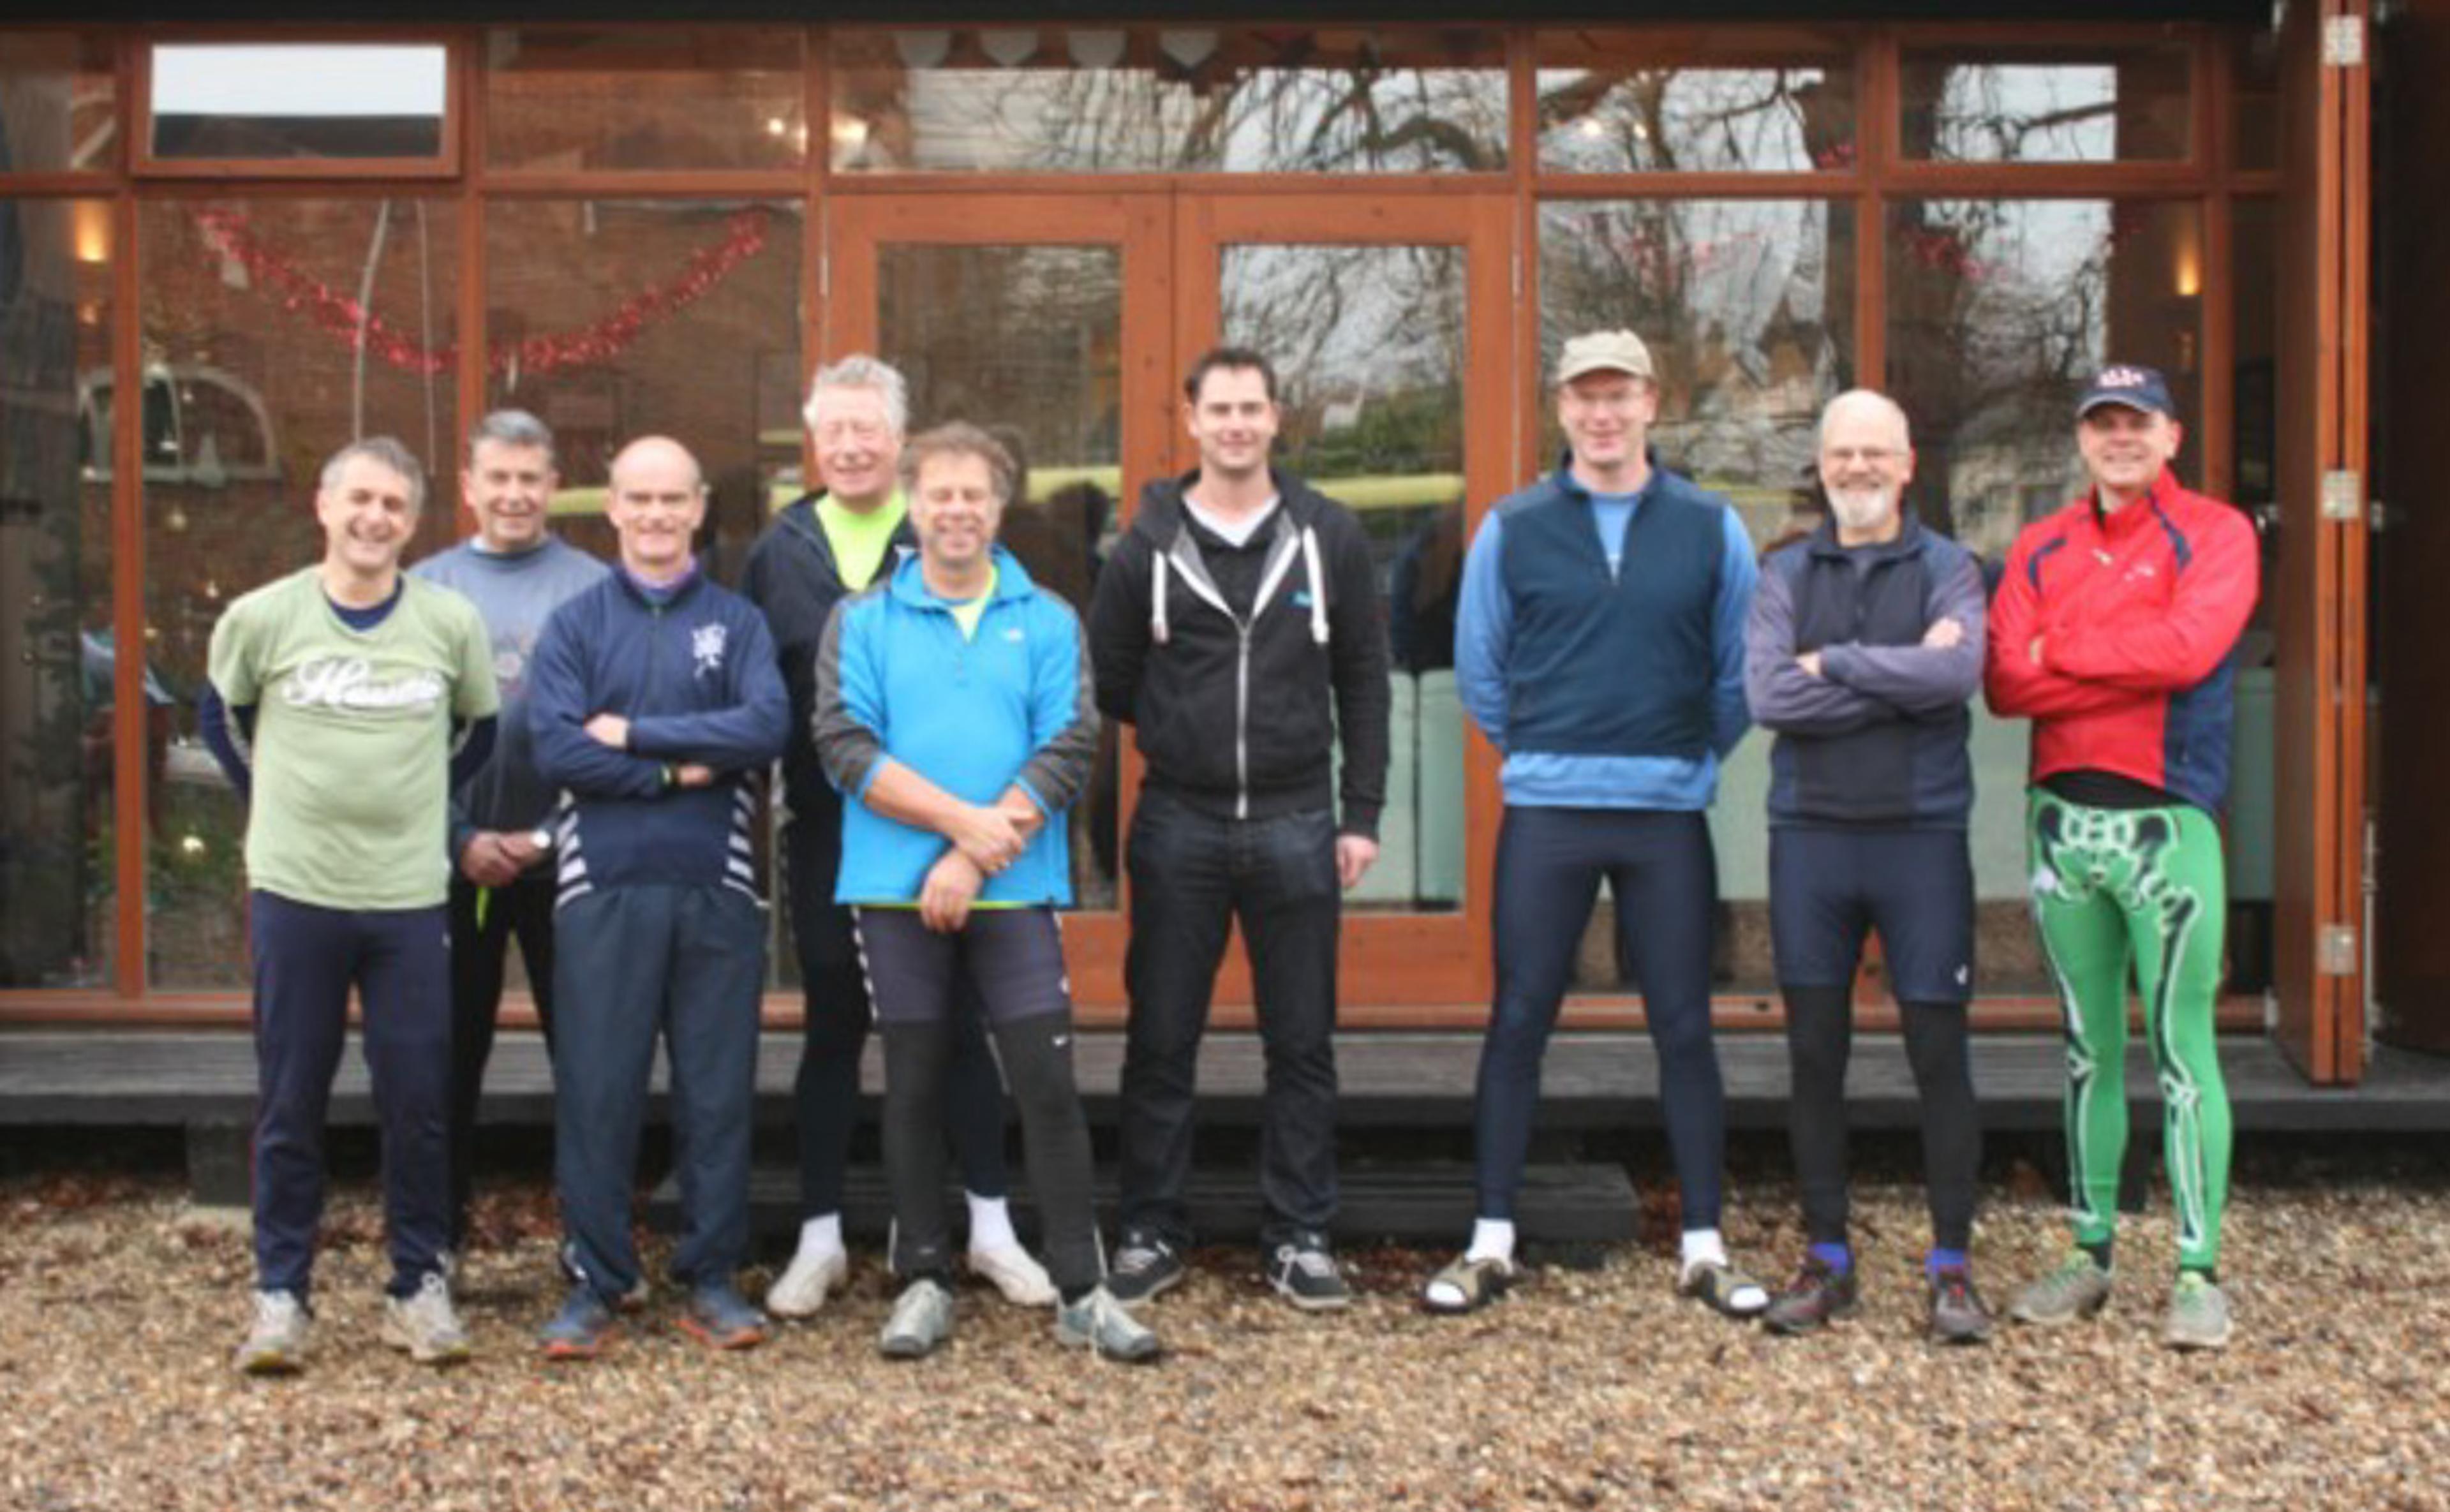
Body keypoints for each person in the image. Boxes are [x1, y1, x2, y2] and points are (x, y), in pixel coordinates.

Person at [1425, 329, 1765, 1318]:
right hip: (1550, 809)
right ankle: (1492, 1239)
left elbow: (1739, 671)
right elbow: (1482, 669)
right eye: (1585, 396)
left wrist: (1685, 753)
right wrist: (1547, 747)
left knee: (1685, 1024)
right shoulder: (1514, 526)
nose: (1603, 414)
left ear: (1653, 402)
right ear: (1562, 407)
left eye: (1620, 395)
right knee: (1519, 1016)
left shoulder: (1711, 525)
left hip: (1667, 811)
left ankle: (1703, 1242)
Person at [816, 423, 1158, 1363]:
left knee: (1045, 1081)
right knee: (915, 1080)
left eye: (974, 494)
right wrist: (959, 827)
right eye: (940, 494)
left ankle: (1083, 1289)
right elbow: (844, 743)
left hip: (1013, 889)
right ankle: (923, 1278)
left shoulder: (1046, 617)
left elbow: (1070, 745)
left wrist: (971, 856)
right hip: (893, 892)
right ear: (912, 504)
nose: (957, 510)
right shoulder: (864, 619)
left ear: (999, 506)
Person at [1085, 346, 1390, 1311]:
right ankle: (1150, 1229)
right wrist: (1186, 731)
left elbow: (1365, 680)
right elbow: (1113, 678)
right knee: (1160, 1039)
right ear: (1191, 419)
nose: (1236, 425)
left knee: (1301, 1042)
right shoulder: (1144, 547)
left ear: (1276, 417)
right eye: (1219, 409)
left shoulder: (1329, 535)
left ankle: (1300, 1233)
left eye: (1251, 408)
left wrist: (1361, 812)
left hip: (1300, 821)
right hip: (1180, 821)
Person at [202, 436, 500, 1374]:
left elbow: (477, 732)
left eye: (394, 505)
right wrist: (280, 801)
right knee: (291, 1097)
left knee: (418, 1099)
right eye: (360, 499)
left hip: (408, 895)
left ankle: (418, 1285)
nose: (375, 519)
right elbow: (222, 718)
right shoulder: (263, 617)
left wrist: (411, 799)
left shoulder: (448, 622)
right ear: (324, 507)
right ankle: (281, 1295)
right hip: (297, 892)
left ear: (413, 523)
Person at [1986, 364, 2259, 1352]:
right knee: (2086, 1047)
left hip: (2169, 825)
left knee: (2184, 1048)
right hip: (2061, 822)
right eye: (2102, 424)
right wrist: (2117, 656)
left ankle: (2196, 1269)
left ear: (2172, 435)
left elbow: (2188, 651)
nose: (2120, 438)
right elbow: (2004, 683)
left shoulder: (2217, 534)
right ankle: (2089, 1250)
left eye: (2138, 422)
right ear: (2082, 439)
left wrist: (2062, 648)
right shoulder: (2040, 542)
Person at [526, 436, 789, 1360]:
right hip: (600, 886)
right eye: (638, 498)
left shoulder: (738, 623)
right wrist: (678, 773)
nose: (655, 515)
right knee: (598, 1092)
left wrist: (636, 736)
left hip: (716, 884)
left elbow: (764, 727)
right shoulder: (575, 626)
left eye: (672, 498)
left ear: (699, 506)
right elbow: (558, 748)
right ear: (612, 507)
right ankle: (597, 1280)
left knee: (716, 1093)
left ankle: (711, 1276)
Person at [1744, 390, 1993, 1343]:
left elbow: (1957, 675)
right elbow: (1770, 696)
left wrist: (1836, 664)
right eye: (1842, 453)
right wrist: (1899, 674)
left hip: (1921, 837)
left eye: (1874, 453)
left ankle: (1951, 1267)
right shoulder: (1784, 570)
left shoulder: (1949, 567)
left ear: (1907, 463)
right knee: (1815, 1055)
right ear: (1821, 465)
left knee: (1939, 1054)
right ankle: (1828, 1258)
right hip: (1811, 838)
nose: (1857, 468)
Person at [410, 410, 608, 1261]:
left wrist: (548, 835)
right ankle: (437, 1242)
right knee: (446, 1058)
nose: (515, 494)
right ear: (469, 486)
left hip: (567, 857)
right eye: (499, 478)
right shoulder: (425, 587)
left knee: (587, 1058)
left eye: (531, 479)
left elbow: (616, 731)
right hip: (452, 862)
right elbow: (403, 737)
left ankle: (590, 1242)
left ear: (554, 485)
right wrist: (458, 835)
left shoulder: (596, 589)